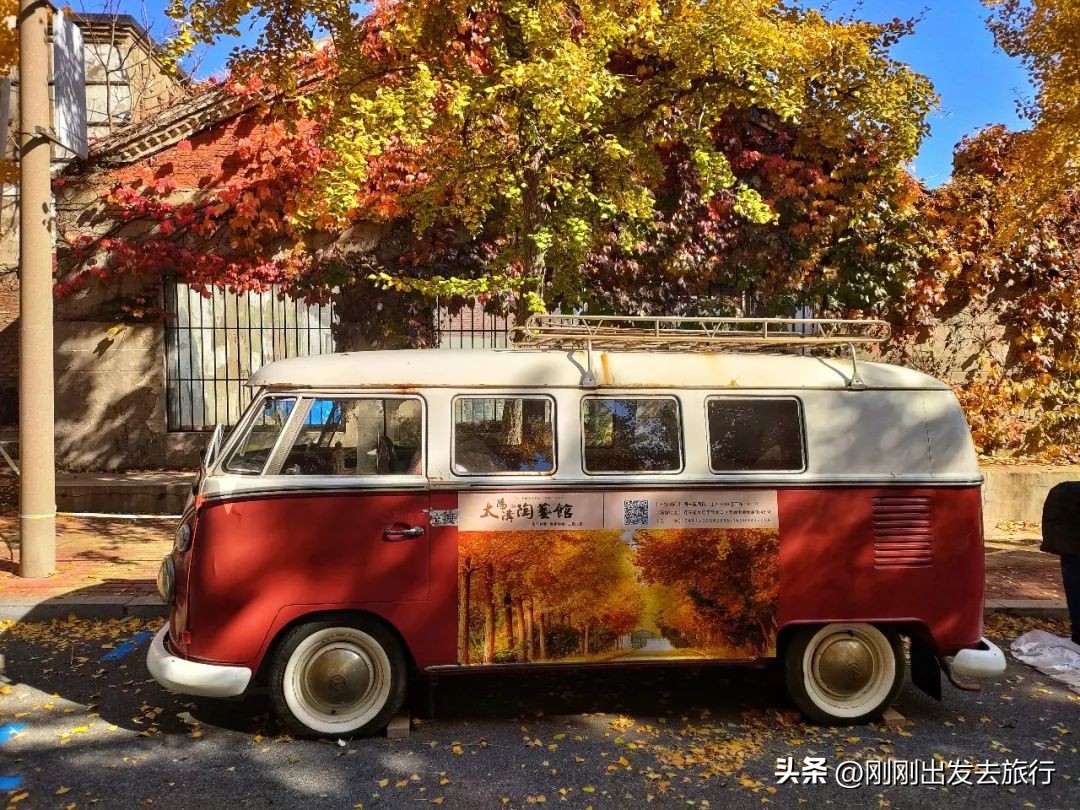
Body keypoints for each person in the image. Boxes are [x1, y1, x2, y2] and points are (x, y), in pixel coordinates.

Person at [1041, 482, 1080, 644]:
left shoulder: (1063, 492)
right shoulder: (1065, 494)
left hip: (1069, 544)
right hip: (1070, 542)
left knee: (1074, 584)